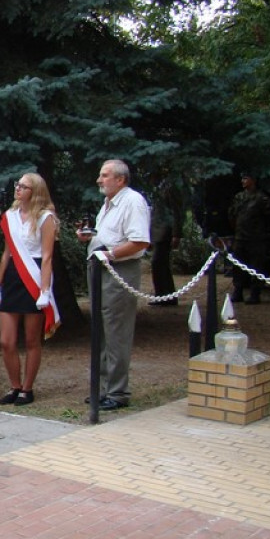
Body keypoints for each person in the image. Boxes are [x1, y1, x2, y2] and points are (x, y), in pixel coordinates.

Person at [78, 159, 151, 410]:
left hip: (118, 270)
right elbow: (109, 236)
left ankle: (118, 392)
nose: (99, 180)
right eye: (100, 175)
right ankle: (101, 387)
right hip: (100, 268)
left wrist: (110, 254)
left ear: (120, 179)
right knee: (100, 327)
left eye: (105, 175)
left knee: (116, 329)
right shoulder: (109, 203)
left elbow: (140, 241)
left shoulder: (133, 202)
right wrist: (89, 238)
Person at [0, 174, 59, 406]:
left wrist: (45, 290)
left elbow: (48, 256)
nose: (17, 189)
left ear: (35, 191)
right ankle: (14, 385)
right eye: (17, 185)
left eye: (23, 186)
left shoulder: (45, 218)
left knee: (31, 340)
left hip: (34, 276)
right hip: (12, 277)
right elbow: (7, 253)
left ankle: (27, 388)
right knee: (6, 341)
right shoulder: (10, 216)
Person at [227, 172, 270, 304]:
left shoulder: (261, 198)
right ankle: (238, 291)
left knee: (256, 266)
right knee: (238, 265)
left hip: (256, 238)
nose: (243, 181)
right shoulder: (239, 197)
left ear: (253, 180)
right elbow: (232, 214)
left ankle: (255, 293)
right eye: (242, 178)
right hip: (240, 237)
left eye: (245, 178)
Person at [149, 172, 183, 304]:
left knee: (157, 262)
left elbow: (176, 212)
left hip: (165, 232)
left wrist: (176, 233)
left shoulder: (169, 188)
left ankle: (164, 296)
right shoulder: (157, 189)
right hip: (158, 232)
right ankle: (167, 295)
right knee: (161, 264)